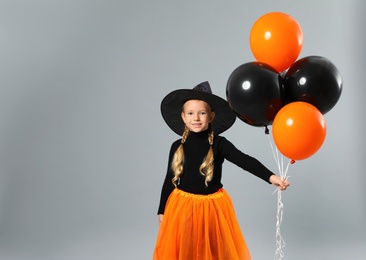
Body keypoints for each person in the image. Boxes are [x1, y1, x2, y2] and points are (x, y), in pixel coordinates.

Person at [153, 81, 290, 260]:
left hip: (213, 207)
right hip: (183, 207)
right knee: (187, 248)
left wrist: (272, 177)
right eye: (191, 113)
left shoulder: (219, 144)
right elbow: (169, 179)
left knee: (213, 248)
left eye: (202, 113)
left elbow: (245, 161)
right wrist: (161, 209)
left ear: (211, 116)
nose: (196, 118)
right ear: (183, 117)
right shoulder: (177, 146)